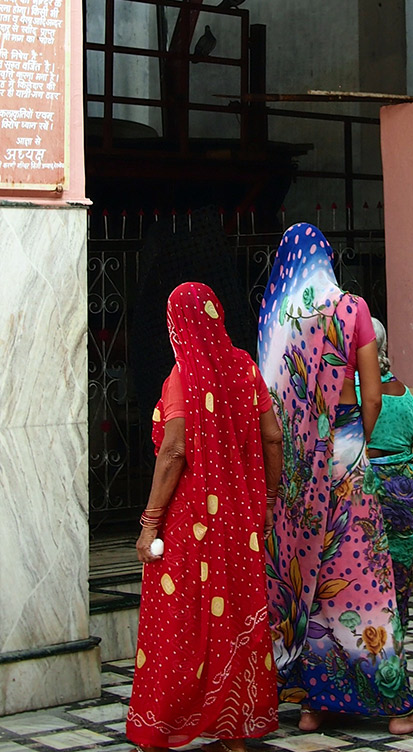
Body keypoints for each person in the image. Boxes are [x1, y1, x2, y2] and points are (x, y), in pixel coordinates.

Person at [258, 223, 413, 735]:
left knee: (310, 581)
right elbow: (373, 395)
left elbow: (272, 404)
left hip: (297, 470)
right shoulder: (352, 308)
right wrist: (353, 440)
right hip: (345, 453)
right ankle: (395, 708)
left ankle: (315, 706)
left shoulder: (280, 316)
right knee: (364, 576)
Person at [126, 282, 281, 752]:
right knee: (235, 615)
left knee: (180, 621)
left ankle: (164, 726)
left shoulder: (182, 377)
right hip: (242, 520)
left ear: (177, 324)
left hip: (190, 520)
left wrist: (150, 521)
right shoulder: (246, 369)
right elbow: (273, 436)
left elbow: (173, 451)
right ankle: (232, 731)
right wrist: (269, 501)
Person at [358, 318, 413, 631]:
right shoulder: (406, 395)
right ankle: (397, 634)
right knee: (399, 569)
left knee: (364, 570)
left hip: (366, 487)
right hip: (404, 488)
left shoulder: (351, 394)